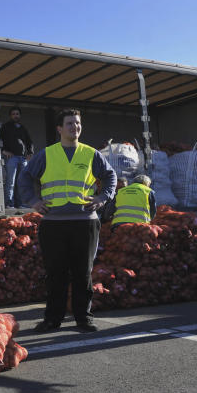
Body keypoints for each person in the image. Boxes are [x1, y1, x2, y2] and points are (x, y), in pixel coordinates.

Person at [18, 108, 116, 332]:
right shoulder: (46, 154)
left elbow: (110, 175)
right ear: (59, 129)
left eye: (78, 123)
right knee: (56, 273)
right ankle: (53, 319)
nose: (75, 127)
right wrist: (33, 201)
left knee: (83, 272)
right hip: (53, 224)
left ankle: (83, 318)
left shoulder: (91, 154)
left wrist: (103, 198)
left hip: (85, 222)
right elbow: (25, 176)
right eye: (70, 123)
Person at [0, 107, 34, 208]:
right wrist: (3, 151)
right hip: (12, 158)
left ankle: (21, 204)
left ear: (20, 116)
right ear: (10, 116)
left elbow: (29, 141)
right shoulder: (5, 127)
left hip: (23, 158)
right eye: (14, 114)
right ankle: (9, 204)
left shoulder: (22, 128)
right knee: (11, 182)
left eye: (17, 114)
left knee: (22, 182)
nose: (16, 115)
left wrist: (30, 152)